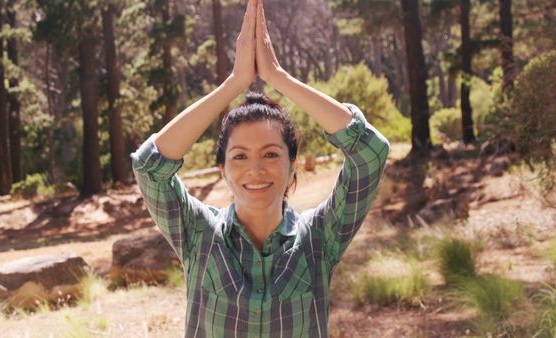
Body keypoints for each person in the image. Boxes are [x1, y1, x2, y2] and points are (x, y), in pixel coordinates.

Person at [131, 0, 390, 336]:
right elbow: (150, 167)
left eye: (270, 154)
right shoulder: (198, 234)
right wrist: (234, 84)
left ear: (292, 164)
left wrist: (278, 77)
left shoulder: (319, 238)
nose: (255, 169)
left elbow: (370, 152)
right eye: (239, 156)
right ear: (221, 169)